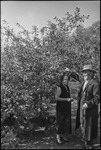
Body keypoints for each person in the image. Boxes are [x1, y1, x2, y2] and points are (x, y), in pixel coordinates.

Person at [75, 64, 100, 149]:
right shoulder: (84, 82)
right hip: (82, 109)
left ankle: (89, 145)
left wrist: (88, 104)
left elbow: (97, 98)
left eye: (87, 72)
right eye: (84, 73)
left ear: (91, 73)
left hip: (90, 110)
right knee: (82, 124)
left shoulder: (95, 83)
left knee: (89, 127)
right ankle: (85, 142)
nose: (85, 74)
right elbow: (82, 93)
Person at [55, 70, 74, 144]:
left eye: (67, 79)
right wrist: (66, 99)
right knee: (60, 123)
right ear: (62, 80)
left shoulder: (67, 87)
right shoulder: (60, 87)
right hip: (61, 109)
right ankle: (58, 137)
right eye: (65, 79)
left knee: (66, 123)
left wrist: (70, 99)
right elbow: (56, 98)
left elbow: (67, 97)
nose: (66, 81)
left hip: (67, 108)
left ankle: (63, 136)